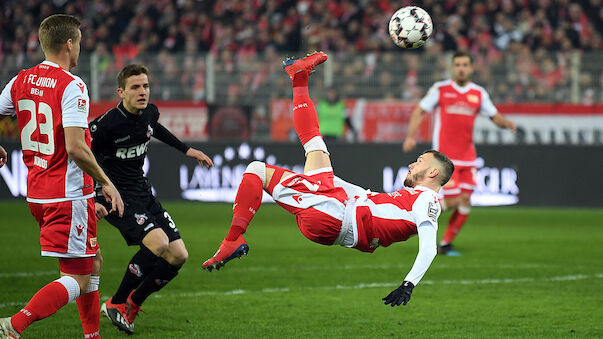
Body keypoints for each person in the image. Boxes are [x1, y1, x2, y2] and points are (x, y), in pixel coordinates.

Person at [202, 52, 455, 307]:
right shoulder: (415, 198)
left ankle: (233, 239)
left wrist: (408, 284)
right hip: (337, 207)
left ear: (433, 173)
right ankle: (299, 77)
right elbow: (371, 205)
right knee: (315, 146)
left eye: (420, 162)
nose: (412, 164)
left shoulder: (427, 201)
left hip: (333, 214)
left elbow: (429, 248)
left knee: (256, 170)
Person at [0, 14, 124, 339]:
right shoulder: (72, 85)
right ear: (70, 44)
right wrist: (106, 183)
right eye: (79, 42)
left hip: (37, 194)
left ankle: (91, 336)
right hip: (67, 196)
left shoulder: (20, 80)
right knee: (78, 278)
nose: (80, 49)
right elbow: (76, 147)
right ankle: (15, 325)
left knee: (93, 260)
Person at [90, 64, 213, 334]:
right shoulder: (105, 126)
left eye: (145, 86)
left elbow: (154, 128)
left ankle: (133, 302)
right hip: (115, 196)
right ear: (120, 92)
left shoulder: (149, 112)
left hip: (143, 192)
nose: (142, 91)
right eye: (135, 87)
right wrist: (94, 195)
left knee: (179, 255)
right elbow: (81, 157)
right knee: (158, 242)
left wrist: (188, 150)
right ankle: (116, 302)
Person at [403, 51, 516, 256]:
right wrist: (411, 136)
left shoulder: (478, 93)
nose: (461, 68)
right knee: (454, 200)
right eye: (457, 65)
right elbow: (420, 110)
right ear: (452, 68)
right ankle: (413, 218)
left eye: (465, 64)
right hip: (445, 158)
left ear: (472, 68)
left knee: (465, 201)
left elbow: (494, 115)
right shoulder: (441, 89)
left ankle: (445, 244)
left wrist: (506, 123)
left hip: (468, 158)